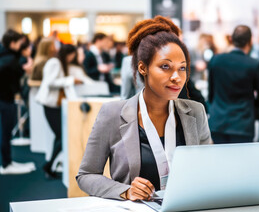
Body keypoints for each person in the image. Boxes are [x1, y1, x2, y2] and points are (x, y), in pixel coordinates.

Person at [76, 16, 212, 201]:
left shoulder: (195, 112)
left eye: (182, 68)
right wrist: (125, 190)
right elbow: (86, 175)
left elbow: (208, 168)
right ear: (143, 68)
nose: (177, 77)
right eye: (165, 67)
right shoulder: (113, 114)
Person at [208, 25, 259, 143]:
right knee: (242, 161)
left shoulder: (216, 60)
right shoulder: (254, 64)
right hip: (243, 124)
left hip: (217, 122)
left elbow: (211, 94)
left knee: (219, 161)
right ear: (250, 41)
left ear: (231, 39)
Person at [36, 44, 83, 178]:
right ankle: (49, 165)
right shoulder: (55, 62)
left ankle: (50, 165)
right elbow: (50, 82)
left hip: (54, 105)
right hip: (50, 104)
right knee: (62, 136)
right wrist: (70, 80)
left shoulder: (57, 62)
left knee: (60, 136)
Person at [0, 29, 35, 174]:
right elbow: (11, 75)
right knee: (5, 132)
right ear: (13, 43)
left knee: (5, 132)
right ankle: (6, 164)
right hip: (4, 99)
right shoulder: (9, 59)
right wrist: (25, 71)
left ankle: (7, 162)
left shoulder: (7, 57)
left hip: (6, 98)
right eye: (20, 43)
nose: (22, 46)